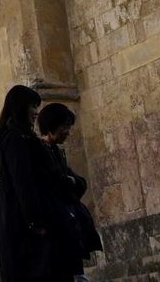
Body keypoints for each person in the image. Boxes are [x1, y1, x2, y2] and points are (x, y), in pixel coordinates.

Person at [0, 85, 71, 282]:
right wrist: (36, 222)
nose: (36, 112)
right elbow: (23, 183)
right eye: (32, 106)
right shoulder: (15, 140)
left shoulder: (18, 138)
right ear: (21, 107)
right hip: (27, 229)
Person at [36, 103, 102, 275]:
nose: (67, 132)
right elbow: (58, 182)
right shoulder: (41, 152)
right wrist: (69, 182)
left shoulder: (56, 151)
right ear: (52, 126)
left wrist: (70, 182)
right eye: (64, 127)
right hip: (58, 223)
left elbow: (77, 182)